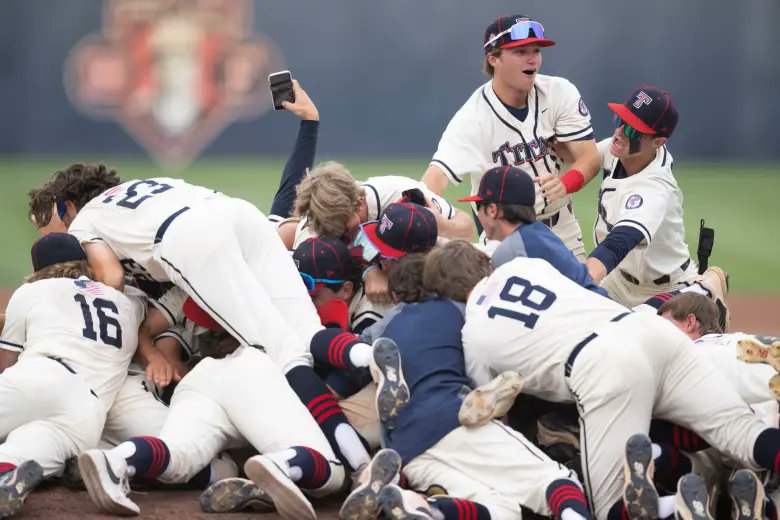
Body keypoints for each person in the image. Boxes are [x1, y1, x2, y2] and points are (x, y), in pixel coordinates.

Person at [427, 239, 780, 520]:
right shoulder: (523, 265)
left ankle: (675, 508)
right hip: (648, 329)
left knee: (610, 506)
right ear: (482, 264)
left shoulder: (473, 334)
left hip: (602, 367)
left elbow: (488, 409)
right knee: (742, 432)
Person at [422, 14, 601, 259]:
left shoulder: (560, 93)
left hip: (562, 230)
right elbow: (435, 178)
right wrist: (429, 218)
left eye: (536, 50)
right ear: (493, 58)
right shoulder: (473, 118)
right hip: (505, 238)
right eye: (520, 51)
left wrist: (565, 183)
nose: (532, 59)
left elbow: (590, 157)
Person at [0, 233, 147, 518]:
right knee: (18, 451)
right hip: (87, 416)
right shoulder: (130, 304)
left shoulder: (34, 291)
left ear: (38, 269)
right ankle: (7, 474)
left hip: (42, 376)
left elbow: (6, 362)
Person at [585, 86, 729, 316]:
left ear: (658, 142)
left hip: (666, 288)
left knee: (641, 332)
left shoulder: (655, 188)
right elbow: (581, 160)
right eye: (620, 120)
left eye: (633, 131)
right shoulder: (618, 150)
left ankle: (703, 291)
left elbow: (619, 242)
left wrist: (581, 278)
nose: (620, 132)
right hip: (618, 282)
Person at [293, 162, 472, 304]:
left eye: (346, 230)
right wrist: (368, 271)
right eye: (336, 236)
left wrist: (443, 226)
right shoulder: (314, 224)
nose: (345, 239)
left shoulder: (396, 191)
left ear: (360, 203)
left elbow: (466, 230)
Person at [459, 165, 605, 295]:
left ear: (492, 210)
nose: (478, 215)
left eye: (479, 207)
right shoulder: (539, 233)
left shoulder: (512, 251)